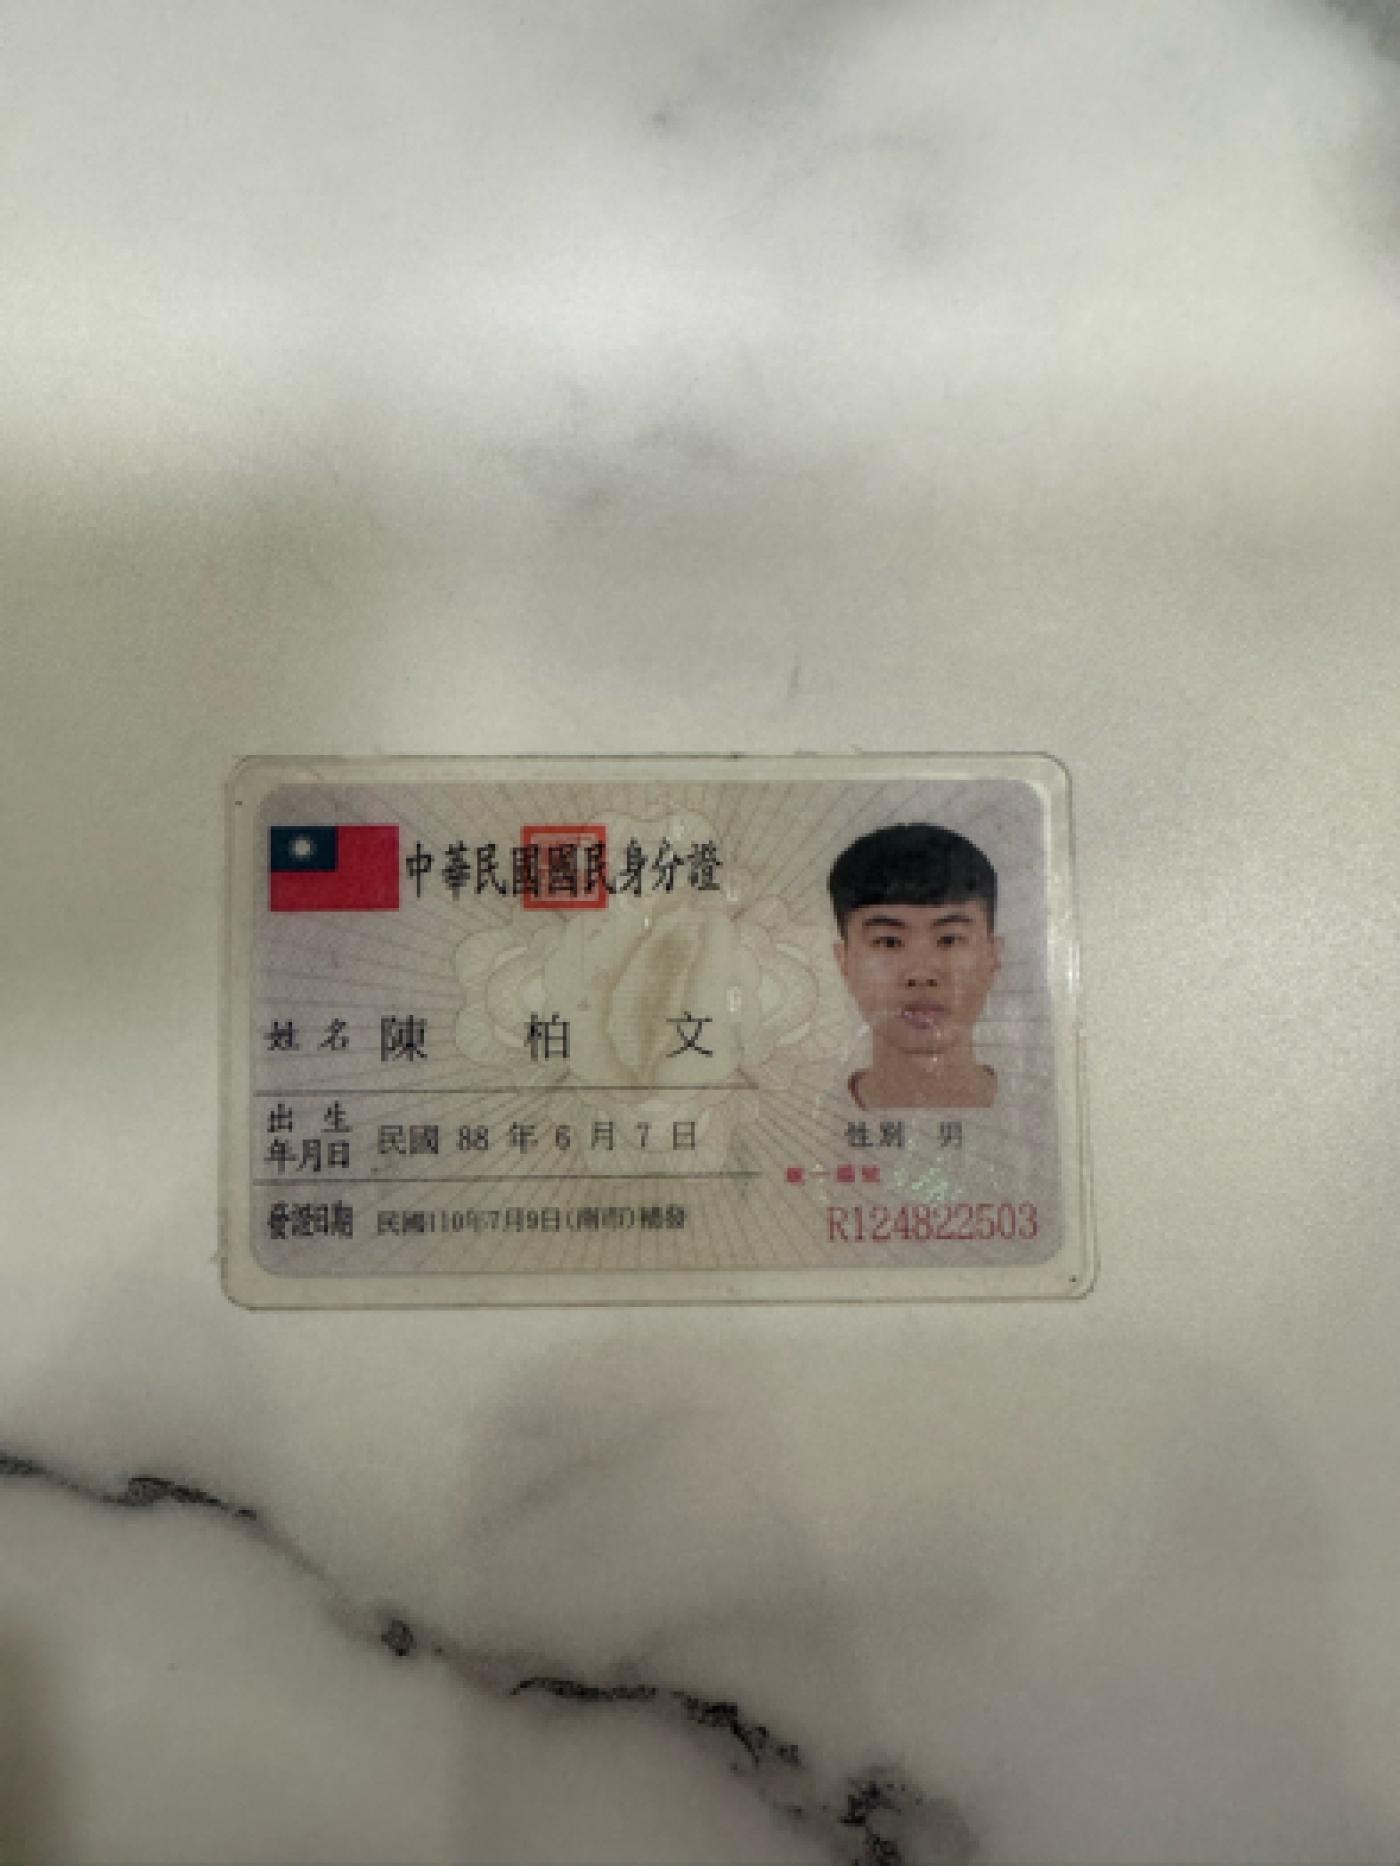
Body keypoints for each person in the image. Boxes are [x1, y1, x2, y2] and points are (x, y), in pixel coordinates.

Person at [829, 822, 1003, 1109]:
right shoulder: (809, 1118)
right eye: (889, 942)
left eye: (949, 939)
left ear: (993, 955)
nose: (921, 974)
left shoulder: (1043, 1108)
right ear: (844, 961)